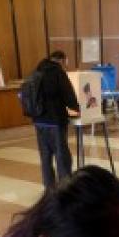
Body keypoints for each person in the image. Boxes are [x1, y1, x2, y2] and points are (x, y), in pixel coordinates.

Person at [31, 50, 80, 190]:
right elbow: (68, 95)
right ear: (62, 60)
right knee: (62, 155)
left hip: (38, 120)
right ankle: (65, 189)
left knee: (45, 156)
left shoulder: (36, 72)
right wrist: (78, 108)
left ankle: (49, 187)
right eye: (66, 62)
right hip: (54, 121)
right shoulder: (58, 73)